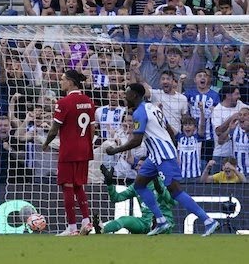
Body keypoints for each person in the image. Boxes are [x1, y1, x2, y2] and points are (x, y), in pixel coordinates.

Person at [106, 83, 220, 236]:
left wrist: (115, 150)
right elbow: (168, 128)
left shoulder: (139, 112)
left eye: (127, 94)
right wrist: (173, 146)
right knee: (139, 185)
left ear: (134, 95)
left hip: (163, 155)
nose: (124, 97)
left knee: (175, 191)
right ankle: (161, 221)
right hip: (155, 155)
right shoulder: (153, 107)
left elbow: (136, 141)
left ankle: (208, 221)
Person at [42, 69, 96, 236]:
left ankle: (72, 228)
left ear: (71, 82)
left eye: (63, 79)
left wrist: (46, 144)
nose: (61, 82)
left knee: (67, 187)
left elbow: (53, 130)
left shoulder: (63, 102)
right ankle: (86, 221)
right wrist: (87, 144)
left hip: (69, 151)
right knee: (78, 185)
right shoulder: (88, 101)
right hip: (85, 149)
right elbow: (92, 128)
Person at [97, 162, 176, 235]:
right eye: (137, 165)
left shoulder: (164, 181)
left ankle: (157, 224)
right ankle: (102, 229)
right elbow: (116, 198)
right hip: (144, 222)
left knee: (162, 222)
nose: (137, 168)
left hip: (165, 220)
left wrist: (161, 191)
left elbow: (174, 202)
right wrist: (109, 184)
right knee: (124, 220)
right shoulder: (136, 186)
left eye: (140, 165)